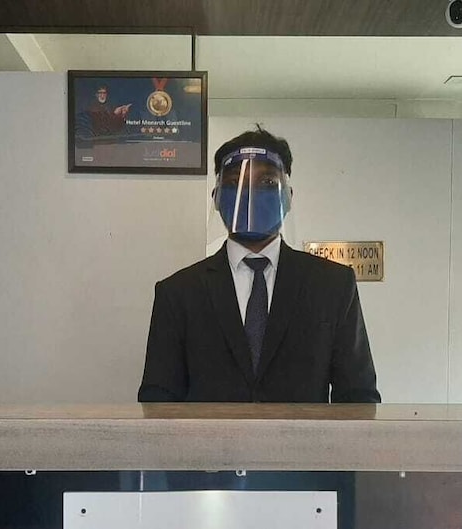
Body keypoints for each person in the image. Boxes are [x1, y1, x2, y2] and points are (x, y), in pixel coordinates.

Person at [138, 127, 379, 403]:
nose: (250, 194)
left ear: (288, 196)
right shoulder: (179, 293)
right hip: (211, 433)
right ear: (216, 197)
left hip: (303, 433)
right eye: (235, 182)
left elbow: (358, 396)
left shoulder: (332, 286)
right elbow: (158, 398)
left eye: (267, 182)